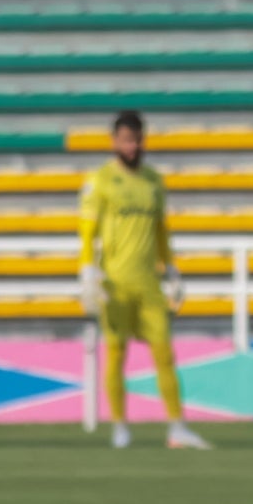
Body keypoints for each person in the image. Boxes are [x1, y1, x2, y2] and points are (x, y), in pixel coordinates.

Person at [78, 110, 209, 450]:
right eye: (125, 140)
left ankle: (177, 428)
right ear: (114, 142)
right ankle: (120, 427)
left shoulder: (154, 180)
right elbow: (87, 229)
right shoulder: (101, 180)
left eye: (136, 140)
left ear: (143, 140)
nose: (131, 146)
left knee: (165, 353)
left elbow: (162, 230)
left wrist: (172, 268)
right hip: (115, 283)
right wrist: (86, 269)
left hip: (149, 283)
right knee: (116, 353)